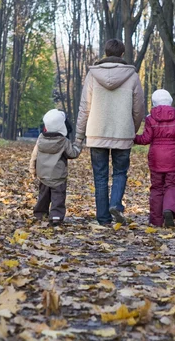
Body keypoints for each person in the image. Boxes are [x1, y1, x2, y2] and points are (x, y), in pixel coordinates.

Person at [75, 39, 145, 225]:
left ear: (105, 53)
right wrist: (132, 129)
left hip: (96, 133)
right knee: (120, 173)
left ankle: (103, 218)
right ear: (122, 54)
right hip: (123, 133)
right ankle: (115, 203)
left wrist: (79, 137)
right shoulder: (132, 76)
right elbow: (139, 109)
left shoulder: (92, 76)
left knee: (100, 176)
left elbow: (84, 108)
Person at [134, 90, 175, 227]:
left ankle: (156, 221)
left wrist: (133, 138)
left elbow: (146, 139)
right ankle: (169, 209)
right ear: (170, 101)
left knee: (157, 188)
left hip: (156, 158)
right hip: (172, 157)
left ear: (154, 102)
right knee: (172, 185)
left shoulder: (150, 118)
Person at [30, 109, 81, 226]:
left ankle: (40, 213)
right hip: (58, 175)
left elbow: (34, 155)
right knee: (58, 196)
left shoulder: (40, 138)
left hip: (42, 174)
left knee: (43, 195)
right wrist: (78, 145)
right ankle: (56, 216)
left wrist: (32, 169)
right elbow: (72, 154)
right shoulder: (63, 141)